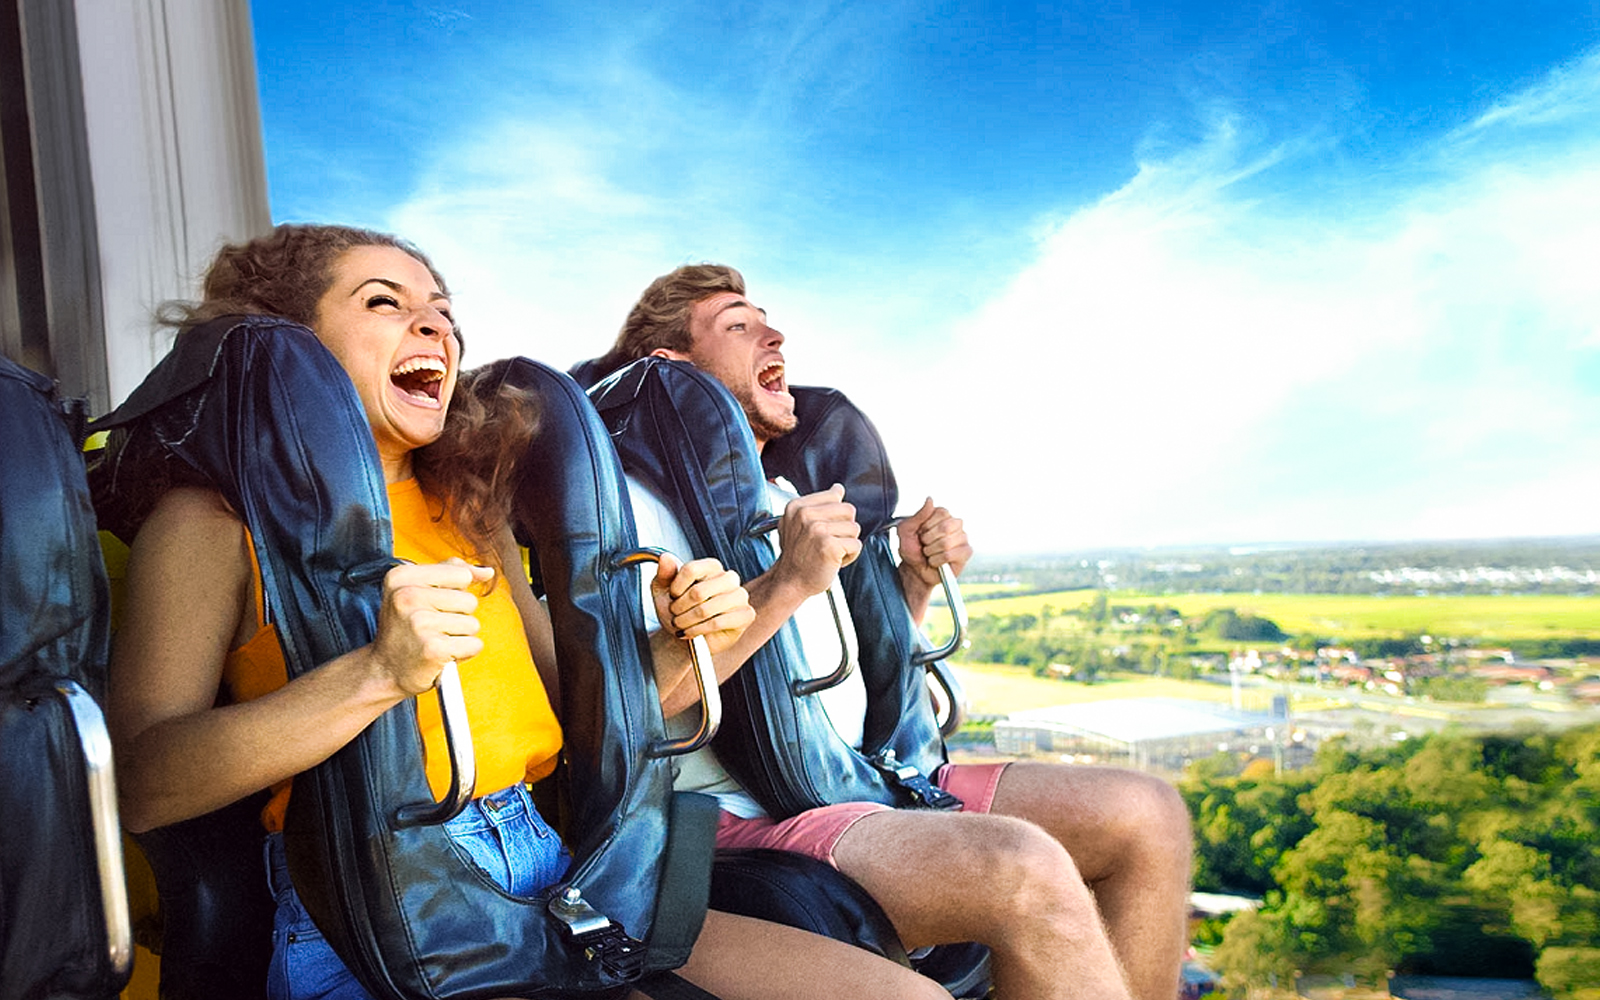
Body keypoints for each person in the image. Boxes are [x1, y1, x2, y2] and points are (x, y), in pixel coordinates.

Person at [105, 225, 951, 1000]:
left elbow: (584, 714)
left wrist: (695, 637)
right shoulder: (209, 523)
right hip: (366, 909)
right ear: (287, 345)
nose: (434, 328)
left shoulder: (468, 511)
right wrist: (374, 677)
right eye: (384, 304)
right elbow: (141, 785)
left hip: (554, 872)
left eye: (441, 312)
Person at [591, 264, 1196, 1000]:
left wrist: (911, 582)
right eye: (739, 325)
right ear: (671, 365)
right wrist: (785, 583)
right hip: (734, 817)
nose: (775, 334)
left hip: (861, 774)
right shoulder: (634, 510)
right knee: (1022, 865)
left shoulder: (790, 494)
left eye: (768, 319)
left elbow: (846, 686)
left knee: (1148, 815)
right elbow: (636, 714)